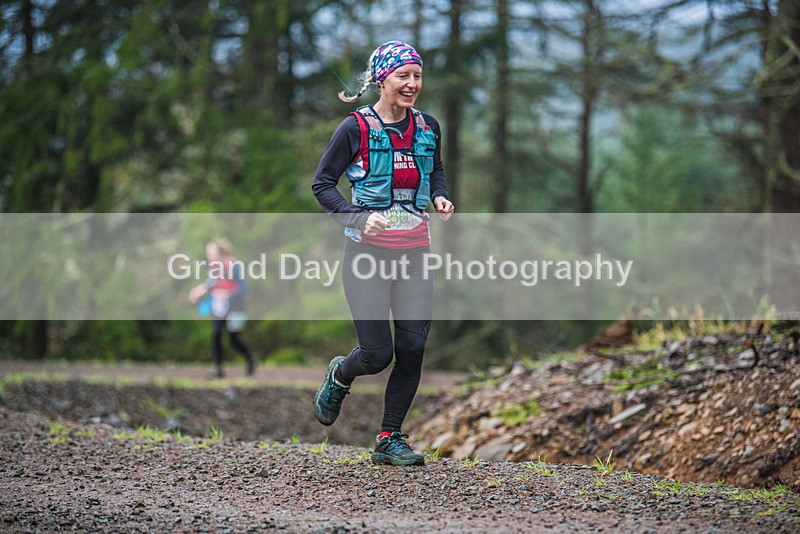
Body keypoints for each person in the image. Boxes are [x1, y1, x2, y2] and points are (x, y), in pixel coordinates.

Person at [311, 40, 455, 466]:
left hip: (415, 255)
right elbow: (322, 185)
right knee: (377, 355)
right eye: (403, 76)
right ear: (382, 80)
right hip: (367, 258)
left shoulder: (428, 126)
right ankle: (340, 374)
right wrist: (357, 217)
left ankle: (390, 438)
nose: (412, 84)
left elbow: (437, 171)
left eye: (417, 76)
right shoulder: (354, 128)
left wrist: (440, 197)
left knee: (412, 349)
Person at [188, 238, 256, 379]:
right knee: (216, 335)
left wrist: (228, 296)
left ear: (220, 253)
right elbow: (212, 283)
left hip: (235, 307)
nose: (208, 255)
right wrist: (198, 291)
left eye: (210, 251)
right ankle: (219, 371)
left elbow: (244, 289)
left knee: (233, 340)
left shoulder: (233, 266)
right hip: (219, 308)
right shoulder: (215, 267)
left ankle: (250, 358)